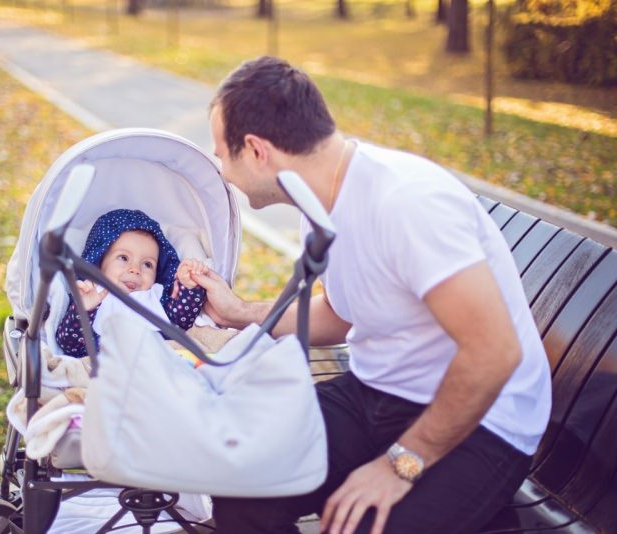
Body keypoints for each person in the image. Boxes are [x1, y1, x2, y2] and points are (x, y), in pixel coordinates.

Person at [192, 56, 552, 534]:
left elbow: (494, 353)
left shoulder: (407, 203)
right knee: (241, 476)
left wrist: (399, 463)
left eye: (221, 154)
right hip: (378, 392)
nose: (222, 171)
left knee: (364, 523)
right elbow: (342, 314)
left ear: (257, 150)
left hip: (483, 420)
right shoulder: (317, 201)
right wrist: (239, 313)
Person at [56, 208, 208, 358]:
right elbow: (70, 346)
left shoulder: (155, 298)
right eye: (123, 258)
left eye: (147, 264)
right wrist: (83, 310)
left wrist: (189, 287)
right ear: (99, 263)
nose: (135, 270)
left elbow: (182, 322)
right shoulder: (89, 297)